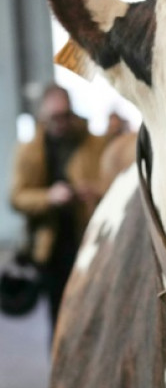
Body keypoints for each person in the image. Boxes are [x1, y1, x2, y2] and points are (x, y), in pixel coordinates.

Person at [10, 84, 107, 331]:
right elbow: (17, 197)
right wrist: (49, 197)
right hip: (51, 246)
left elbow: (109, 181)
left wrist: (93, 190)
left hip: (88, 238)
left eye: (65, 115)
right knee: (60, 320)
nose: (61, 122)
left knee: (95, 315)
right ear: (43, 115)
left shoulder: (91, 143)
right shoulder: (31, 150)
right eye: (55, 117)